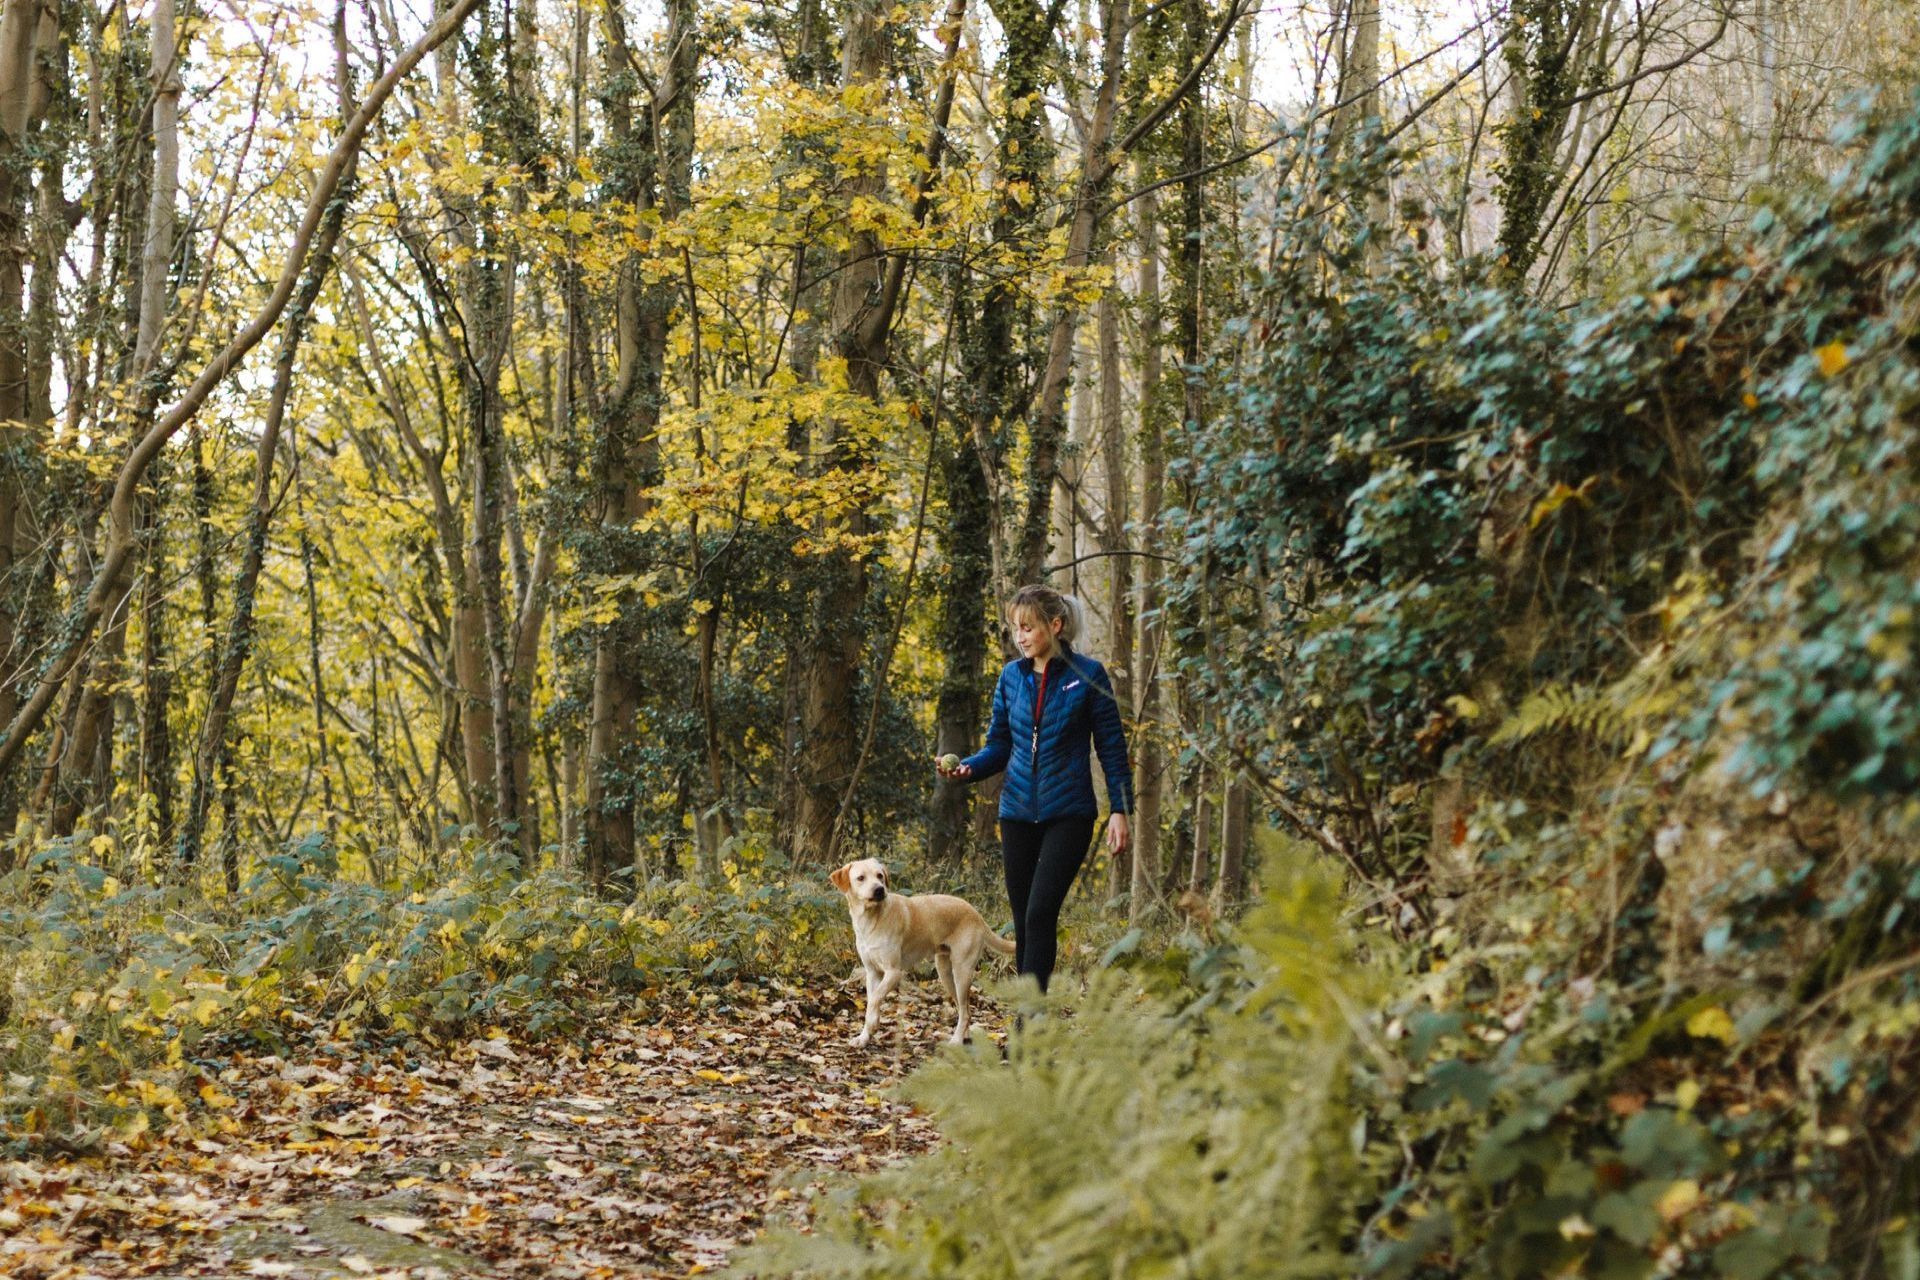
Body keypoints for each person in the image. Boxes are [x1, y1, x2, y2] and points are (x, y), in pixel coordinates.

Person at [936, 584, 1132, 993]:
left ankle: (1030, 1021)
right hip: (1017, 814)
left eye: (1028, 627)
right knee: (1025, 917)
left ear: (1055, 626)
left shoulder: (1088, 676)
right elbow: (1000, 745)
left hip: (1070, 813)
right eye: (1015, 628)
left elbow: (1111, 747)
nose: (1020, 636)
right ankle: (1029, 1021)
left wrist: (1120, 808)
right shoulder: (1011, 678)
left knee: (1041, 912)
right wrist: (967, 769)